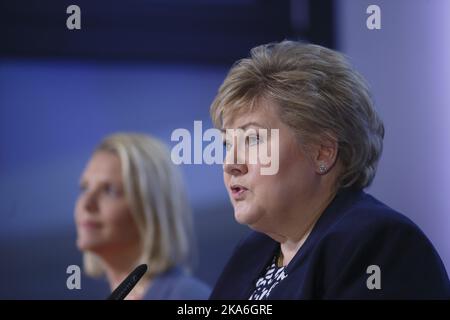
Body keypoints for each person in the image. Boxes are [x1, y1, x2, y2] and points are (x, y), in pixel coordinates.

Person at [208, 40, 450, 299]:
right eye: (227, 144)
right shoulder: (251, 253)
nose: (230, 164)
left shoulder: (378, 245)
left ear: (322, 152)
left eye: (253, 139)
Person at [75, 133, 211, 299]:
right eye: (85, 188)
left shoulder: (188, 296)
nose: (86, 203)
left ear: (150, 209)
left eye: (109, 190)